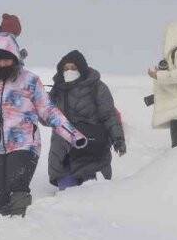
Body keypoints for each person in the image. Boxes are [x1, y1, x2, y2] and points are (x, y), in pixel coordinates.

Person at [0, 34, 86, 216]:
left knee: (17, 187)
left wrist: (74, 135)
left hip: (24, 143)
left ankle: (18, 225)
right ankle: (3, 230)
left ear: (15, 59)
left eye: (6, 59)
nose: (2, 64)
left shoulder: (29, 80)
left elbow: (48, 110)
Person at [48, 50, 126, 189]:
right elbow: (47, 117)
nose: (69, 71)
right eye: (65, 69)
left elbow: (109, 115)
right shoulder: (57, 91)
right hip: (65, 156)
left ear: (82, 69)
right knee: (67, 199)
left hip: (92, 151)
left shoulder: (97, 87)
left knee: (93, 197)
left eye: (73, 68)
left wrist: (118, 139)